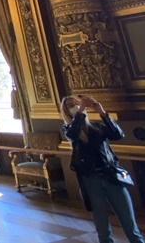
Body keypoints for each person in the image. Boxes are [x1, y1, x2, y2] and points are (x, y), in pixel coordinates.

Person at [61, 95, 144, 243]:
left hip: (110, 175)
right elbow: (73, 134)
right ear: (66, 112)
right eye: (70, 106)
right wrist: (80, 110)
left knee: (129, 223)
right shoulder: (68, 129)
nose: (73, 106)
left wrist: (102, 112)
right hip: (90, 180)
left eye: (75, 103)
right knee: (102, 229)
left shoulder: (96, 127)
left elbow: (117, 134)